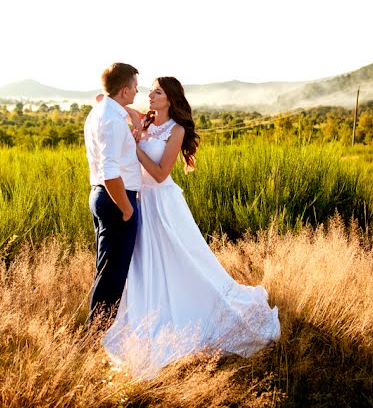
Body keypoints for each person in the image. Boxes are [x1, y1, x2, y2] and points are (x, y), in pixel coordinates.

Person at [101, 76, 280, 379]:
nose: (150, 94)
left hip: (163, 204)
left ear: (170, 98)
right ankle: (148, 312)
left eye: (156, 92)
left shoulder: (176, 130)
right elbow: (109, 103)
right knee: (144, 266)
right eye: (150, 90)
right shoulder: (144, 122)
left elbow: (159, 174)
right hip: (140, 201)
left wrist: (135, 149)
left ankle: (195, 308)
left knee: (182, 261)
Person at [83, 62, 142, 329]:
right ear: (125, 91)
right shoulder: (111, 121)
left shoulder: (101, 111)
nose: (137, 92)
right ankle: (95, 337)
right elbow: (110, 172)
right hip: (116, 198)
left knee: (106, 270)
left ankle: (97, 334)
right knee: (112, 276)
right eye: (135, 88)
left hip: (102, 196)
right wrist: (127, 209)